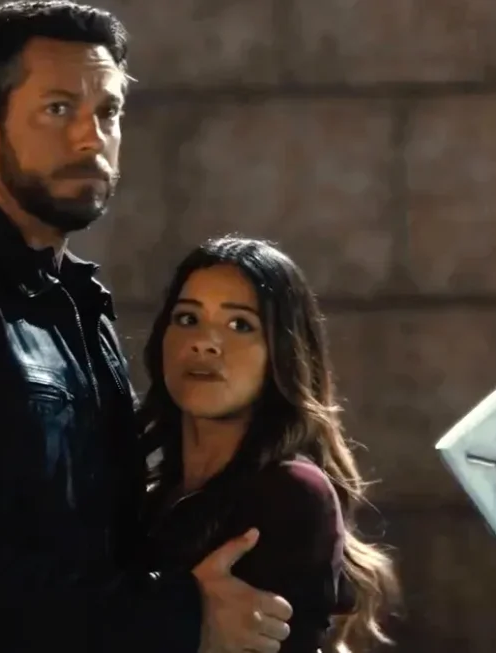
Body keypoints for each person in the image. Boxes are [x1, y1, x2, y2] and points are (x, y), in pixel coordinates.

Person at [0, 2, 290, 652]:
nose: (89, 138)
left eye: (107, 112)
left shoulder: (77, 297)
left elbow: (106, 536)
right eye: (58, 109)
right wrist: (178, 616)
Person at [134, 237, 401, 653]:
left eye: (240, 325)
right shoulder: (150, 494)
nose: (204, 341)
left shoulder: (290, 492)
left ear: (282, 353)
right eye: (187, 318)